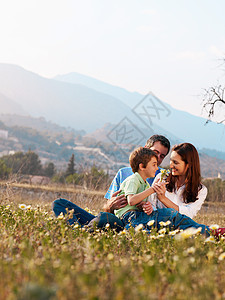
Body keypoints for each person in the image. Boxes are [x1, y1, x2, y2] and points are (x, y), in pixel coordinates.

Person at [53, 134, 170, 230]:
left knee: (104, 218)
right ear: (145, 149)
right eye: (155, 152)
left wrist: (144, 206)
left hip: (132, 223)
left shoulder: (164, 177)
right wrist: (110, 206)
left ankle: (82, 231)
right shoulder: (123, 173)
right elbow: (107, 207)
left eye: (162, 156)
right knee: (59, 203)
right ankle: (84, 229)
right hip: (114, 218)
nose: (158, 158)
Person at [113, 142, 225, 238]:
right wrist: (146, 207)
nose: (171, 166)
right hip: (155, 224)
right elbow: (150, 205)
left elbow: (188, 215)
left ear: (188, 165)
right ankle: (211, 232)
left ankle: (210, 232)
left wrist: (163, 199)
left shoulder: (201, 190)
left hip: (179, 227)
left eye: (176, 163)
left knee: (177, 224)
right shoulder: (162, 178)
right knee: (168, 216)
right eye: (171, 161)